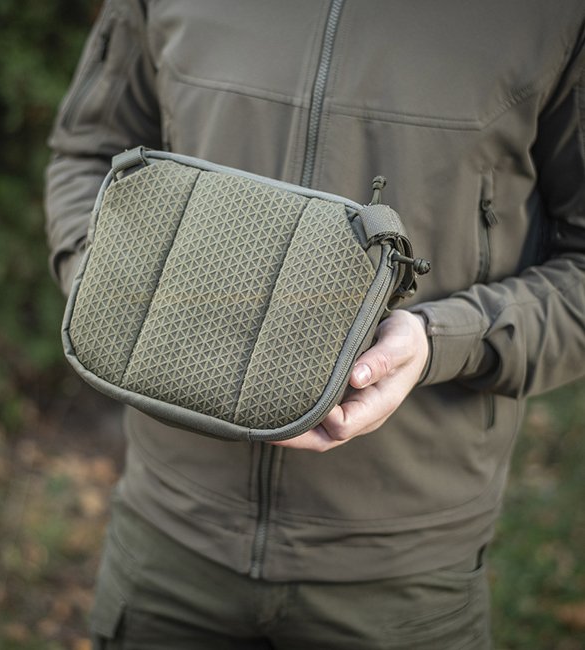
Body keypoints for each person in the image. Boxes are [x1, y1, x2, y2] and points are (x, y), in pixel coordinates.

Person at [45, 1, 585, 648]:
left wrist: (442, 340)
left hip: (400, 573)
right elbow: (91, 153)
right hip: (170, 537)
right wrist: (108, 285)